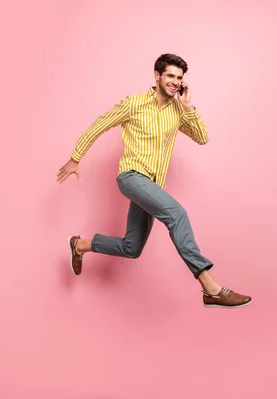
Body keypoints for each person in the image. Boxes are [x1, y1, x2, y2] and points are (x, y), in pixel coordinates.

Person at [56, 53, 252, 309]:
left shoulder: (177, 110)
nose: (175, 82)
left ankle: (80, 244)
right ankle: (210, 286)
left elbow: (202, 137)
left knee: (132, 247)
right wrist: (75, 157)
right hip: (131, 177)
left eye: (179, 78)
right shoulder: (134, 104)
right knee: (177, 214)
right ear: (157, 76)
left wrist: (188, 108)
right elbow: (100, 124)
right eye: (170, 75)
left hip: (152, 186)